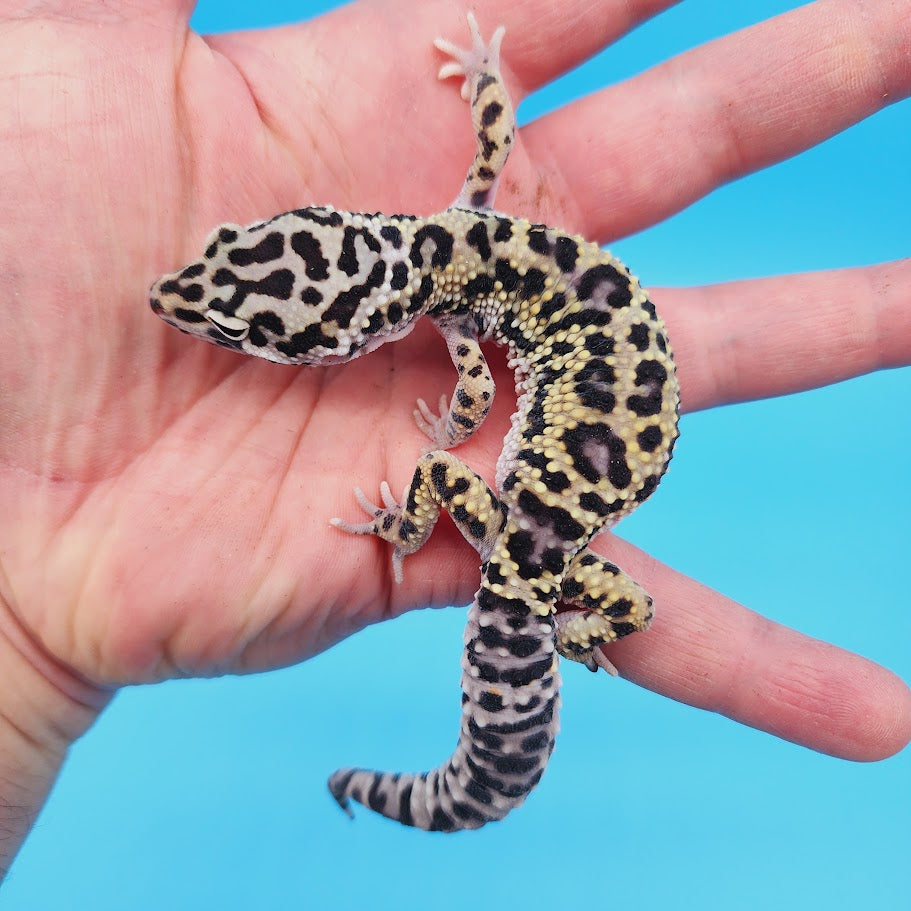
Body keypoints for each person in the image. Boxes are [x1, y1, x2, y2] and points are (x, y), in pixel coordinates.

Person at [1, 0, 908, 880]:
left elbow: (477, 375)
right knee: (526, 543)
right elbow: (489, 162)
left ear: (350, 326)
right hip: (599, 441)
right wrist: (485, 79)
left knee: (552, 559)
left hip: (582, 465)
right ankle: (463, 763)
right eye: (233, 271)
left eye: (246, 327)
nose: (194, 303)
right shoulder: (460, 233)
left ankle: (464, 776)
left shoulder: (462, 308)